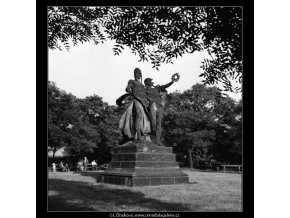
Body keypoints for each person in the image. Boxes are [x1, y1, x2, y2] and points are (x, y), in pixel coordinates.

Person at [144, 73, 180, 146]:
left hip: (159, 106)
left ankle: (158, 140)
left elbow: (166, 86)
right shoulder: (144, 90)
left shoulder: (157, 88)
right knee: (153, 123)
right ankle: (148, 137)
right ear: (147, 83)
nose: (152, 82)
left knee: (159, 124)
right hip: (152, 105)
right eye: (150, 81)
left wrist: (172, 81)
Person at [117, 68, 152, 141]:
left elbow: (146, 94)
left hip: (144, 102)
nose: (138, 75)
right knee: (139, 115)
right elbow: (127, 88)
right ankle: (138, 134)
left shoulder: (142, 85)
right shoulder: (131, 81)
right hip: (136, 100)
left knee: (146, 117)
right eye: (136, 73)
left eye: (139, 73)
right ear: (134, 75)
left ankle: (142, 133)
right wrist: (128, 89)